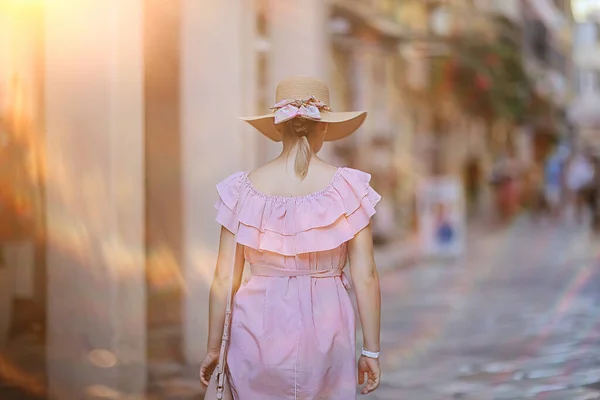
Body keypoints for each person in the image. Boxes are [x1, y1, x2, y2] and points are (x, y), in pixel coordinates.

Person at [200, 76, 382, 399]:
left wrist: (214, 348)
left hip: (256, 330)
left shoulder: (242, 192)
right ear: (323, 129)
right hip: (328, 334)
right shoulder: (348, 190)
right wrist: (372, 351)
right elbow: (366, 277)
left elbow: (222, 279)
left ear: (277, 129)